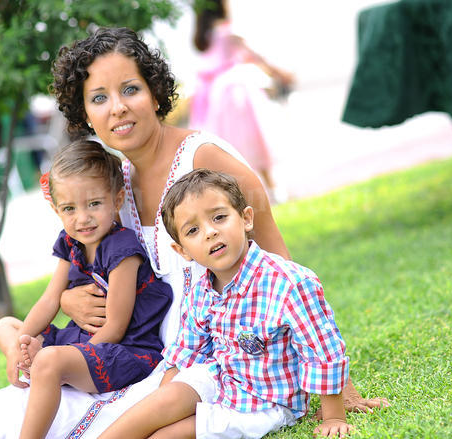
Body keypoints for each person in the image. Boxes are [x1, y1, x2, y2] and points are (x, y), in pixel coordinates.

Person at [0, 26, 386, 439]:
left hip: (215, 352)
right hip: (139, 349)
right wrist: (70, 298)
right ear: (85, 113)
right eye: (99, 98)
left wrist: (340, 390)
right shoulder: (110, 185)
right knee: (29, 409)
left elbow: (283, 268)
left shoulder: (206, 162)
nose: (117, 108)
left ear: (154, 91)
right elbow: (93, 262)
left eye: (130, 89)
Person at [100, 169, 354, 439]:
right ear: (183, 250)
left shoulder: (289, 283)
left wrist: (334, 416)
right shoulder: (202, 290)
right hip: (220, 378)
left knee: (166, 435)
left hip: (266, 402)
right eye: (193, 230)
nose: (210, 232)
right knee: (158, 405)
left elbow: (322, 351)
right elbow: (188, 350)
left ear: (245, 219)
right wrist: (165, 402)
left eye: (219, 217)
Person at [0, 139, 172, 439]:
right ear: (56, 209)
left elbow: (115, 327)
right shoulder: (70, 242)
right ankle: (26, 358)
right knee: (5, 325)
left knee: (49, 360)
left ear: (117, 199)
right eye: (69, 208)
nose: (82, 218)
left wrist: (65, 357)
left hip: (123, 350)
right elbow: (50, 300)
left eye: (94, 204)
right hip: (82, 341)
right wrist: (23, 343)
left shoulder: (122, 249)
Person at [188, 0, 295, 203]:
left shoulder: (203, 37)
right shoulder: (228, 32)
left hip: (214, 98)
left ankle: (246, 196)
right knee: (256, 139)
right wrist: (280, 73)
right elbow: (256, 56)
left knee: (232, 147)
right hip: (236, 93)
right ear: (222, 3)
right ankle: (274, 190)